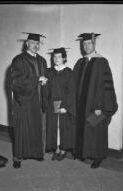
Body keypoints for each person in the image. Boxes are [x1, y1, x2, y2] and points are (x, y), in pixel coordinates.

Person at [73, 33, 118, 168]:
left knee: (96, 129)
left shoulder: (101, 62)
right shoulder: (80, 62)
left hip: (96, 107)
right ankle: (83, 152)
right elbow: (74, 84)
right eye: (84, 44)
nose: (86, 46)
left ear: (94, 44)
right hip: (81, 106)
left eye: (89, 44)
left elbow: (106, 87)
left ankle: (98, 157)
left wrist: (101, 106)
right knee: (84, 129)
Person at [11, 32, 48, 168]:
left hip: (38, 100)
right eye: (33, 43)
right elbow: (16, 80)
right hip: (25, 101)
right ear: (27, 44)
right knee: (22, 129)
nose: (35, 46)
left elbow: (45, 78)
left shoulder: (42, 60)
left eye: (37, 43)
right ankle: (18, 158)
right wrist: (37, 79)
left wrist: (44, 83)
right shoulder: (19, 60)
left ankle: (37, 153)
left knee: (37, 127)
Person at [45, 47, 76, 161]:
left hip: (64, 104)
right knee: (55, 128)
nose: (57, 59)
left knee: (64, 128)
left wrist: (66, 107)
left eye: (59, 56)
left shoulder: (69, 72)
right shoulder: (48, 72)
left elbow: (72, 91)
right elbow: (46, 90)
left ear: (64, 58)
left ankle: (63, 150)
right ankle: (57, 149)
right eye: (55, 56)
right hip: (51, 104)